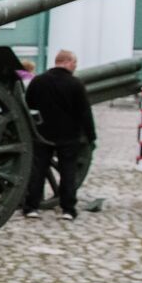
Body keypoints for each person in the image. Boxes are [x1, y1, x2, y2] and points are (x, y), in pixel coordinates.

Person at [23, 50, 95, 221]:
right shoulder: (76, 84)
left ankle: (32, 207)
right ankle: (68, 209)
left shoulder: (38, 81)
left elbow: (28, 105)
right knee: (68, 172)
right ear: (68, 62)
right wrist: (91, 136)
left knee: (38, 171)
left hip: (42, 133)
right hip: (68, 135)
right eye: (74, 63)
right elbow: (85, 112)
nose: (75, 67)